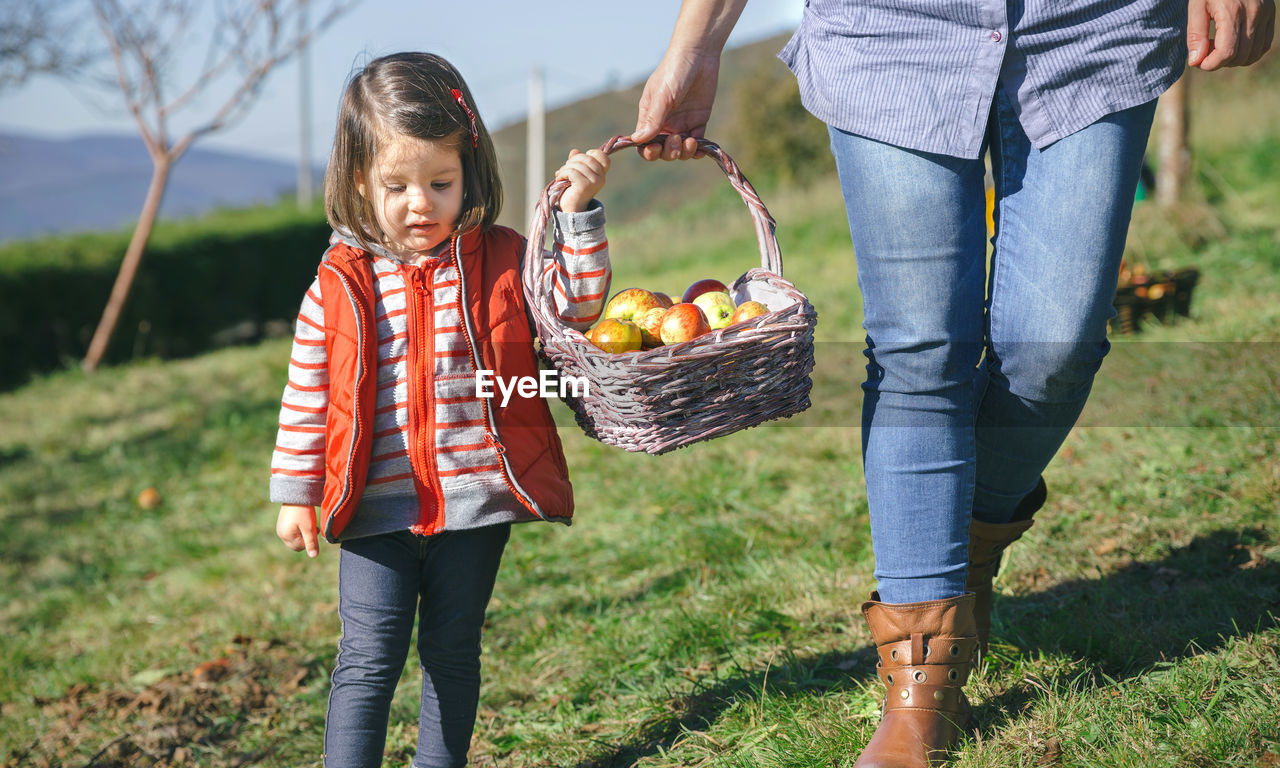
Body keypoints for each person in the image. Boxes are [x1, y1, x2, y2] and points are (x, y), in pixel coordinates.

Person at [632, 1, 1274, 766]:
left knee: (1056, 346)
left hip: (1093, 23)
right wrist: (693, 44)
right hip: (892, 28)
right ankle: (921, 684)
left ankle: (964, 544)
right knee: (919, 350)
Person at [269, 52, 613, 767]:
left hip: (475, 504)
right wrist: (298, 492)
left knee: (452, 651)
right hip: (374, 508)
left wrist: (578, 217)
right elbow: (308, 393)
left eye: (440, 182)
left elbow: (575, 309)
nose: (418, 203)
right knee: (367, 658)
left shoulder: (504, 260)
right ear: (359, 180)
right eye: (395, 185)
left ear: (470, 170)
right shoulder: (339, 283)